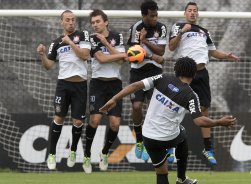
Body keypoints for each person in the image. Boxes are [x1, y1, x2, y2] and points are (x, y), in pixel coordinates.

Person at [99, 57, 236, 184]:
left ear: (176, 70)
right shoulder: (191, 95)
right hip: (168, 138)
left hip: (148, 136)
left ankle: (178, 177)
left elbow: (135, 86)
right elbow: (199, 121)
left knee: (162, 173)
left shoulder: (163, 78)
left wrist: (114, 99)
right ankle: (181, 178)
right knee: (182, 134)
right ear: (194, 75)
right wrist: (219, 122)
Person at [168, 1, 239, 165]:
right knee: (175, 108)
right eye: (189, 10)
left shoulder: (203, 31)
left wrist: (226, 55)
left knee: (204, 110)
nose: (192, 13)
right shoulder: (178, 26)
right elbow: (171, 47)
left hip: (201, 74)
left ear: (197, 14)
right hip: (184, 73)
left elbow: (213, 51)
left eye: (195, 11)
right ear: (185, 14)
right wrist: (181, 33)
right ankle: (169, 146)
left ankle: (208, 149)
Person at [36, 10, 91, 170]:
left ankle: (73, 150)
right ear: (62, 22)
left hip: (80, 84)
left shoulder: (83, 35)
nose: (71, 22)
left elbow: (85, 55)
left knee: (78, 121)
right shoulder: (56, 43)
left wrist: (71, 43)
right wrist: (42, 55)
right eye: (67, 20)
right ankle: (52, 153)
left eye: (73, 19)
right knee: (59, 118)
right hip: (63, 85)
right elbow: (49, 66)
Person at [82, 9, 127, 173]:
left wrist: (107, 44)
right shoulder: (91, 39)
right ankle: (87, 155)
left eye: (98, 21)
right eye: (93, 22)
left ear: (106, 22)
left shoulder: (117, 36)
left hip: (115, 85)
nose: (95, 25)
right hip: (97, 84)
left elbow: (123, 61)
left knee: (115, 124)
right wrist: (118, 55)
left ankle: (105, 153)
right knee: (94, 120)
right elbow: (101, 58)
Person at [127, 0, 168, 161]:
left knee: (155, 108)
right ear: (144, 16)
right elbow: (132, 54)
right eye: (152, 16)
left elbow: (162, 51)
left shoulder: (161, 28)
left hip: (155, 71)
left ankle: (159, 144)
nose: (155, 18)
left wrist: (145, 41)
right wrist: (143, 50)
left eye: (156, 14)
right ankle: (139, 140)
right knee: (137, 106)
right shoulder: (135, 28)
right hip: (137, 72)